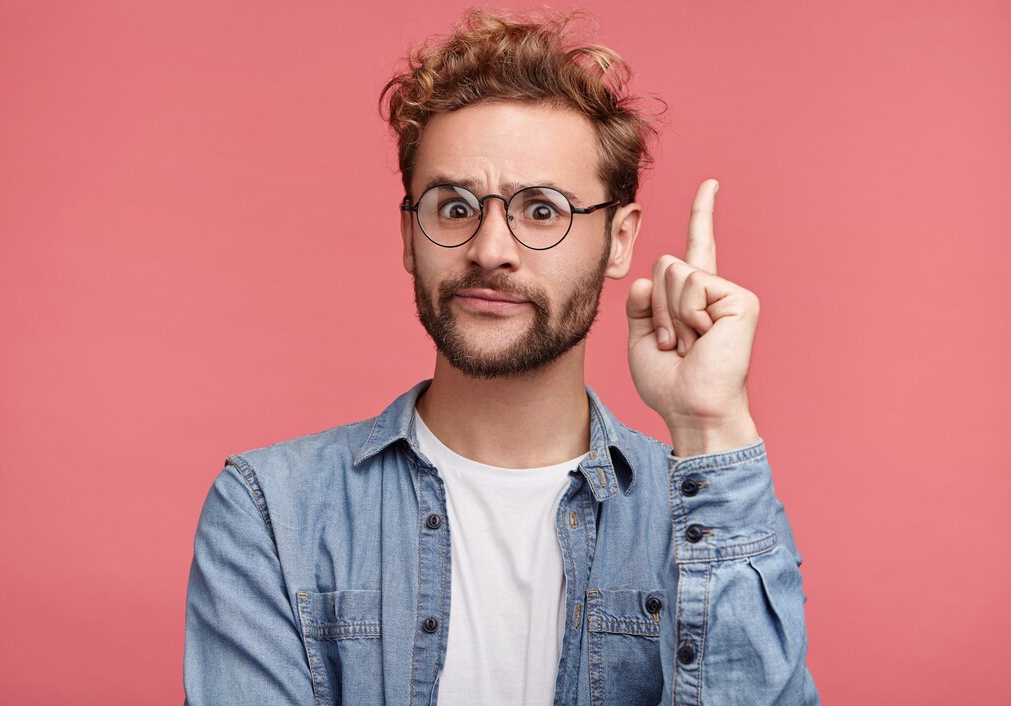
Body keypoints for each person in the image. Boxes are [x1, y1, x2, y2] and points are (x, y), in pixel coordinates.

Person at [184, 9, 819, 705]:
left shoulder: (704, 517)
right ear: (409, 233)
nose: (490, 250)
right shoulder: (273, 512)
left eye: (541, 211)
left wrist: (710, 426)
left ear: (618, 240)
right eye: (454, 207)